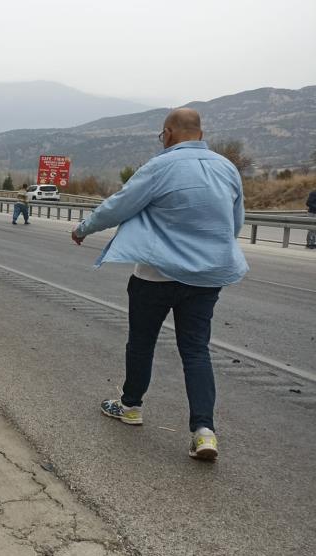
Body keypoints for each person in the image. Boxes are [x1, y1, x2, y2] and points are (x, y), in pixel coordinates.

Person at [70, 108, 248, 462]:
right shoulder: (227, 168)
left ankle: (131, 406)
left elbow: (119, 206)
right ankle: (203, 431)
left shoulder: (160, 166)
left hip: (155, 276)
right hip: (206, 279)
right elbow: (235, 224)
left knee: (141, 344)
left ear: (167, 133)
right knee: (196, 351)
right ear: (200, 132)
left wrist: (83, 229)